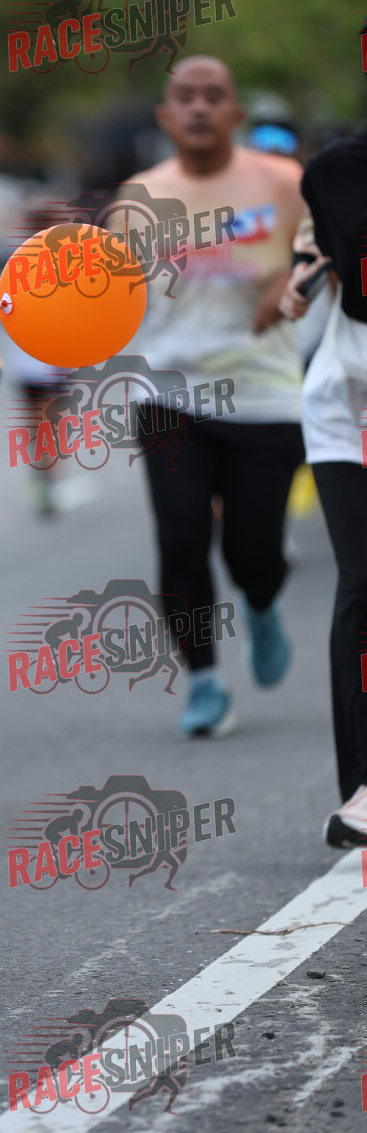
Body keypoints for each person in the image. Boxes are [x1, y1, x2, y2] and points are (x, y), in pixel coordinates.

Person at [114, 56, 306, 737]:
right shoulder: (139, 196)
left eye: (213, 96)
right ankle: (203, 681)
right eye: (186, 97)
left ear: (235, 113)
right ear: (165, 116)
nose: (199, 107)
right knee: (181, 537)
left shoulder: (283, 182)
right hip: (170, 393)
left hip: (263, 391)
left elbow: (322, 253)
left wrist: (289, 280)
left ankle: (261, 602)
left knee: (254, 551)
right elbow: (111, 293)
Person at [278, 71, 367, 848]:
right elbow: (319, 273)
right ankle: (364, 785)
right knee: (363, 584)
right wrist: (308, 272)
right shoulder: (341, 170)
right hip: (353, 408)